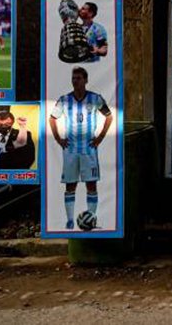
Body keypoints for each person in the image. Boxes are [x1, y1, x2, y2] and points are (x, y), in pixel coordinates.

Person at [49, 67, 113, 230]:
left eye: (78, 78)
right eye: (73, 78)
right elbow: (52, 118)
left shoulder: (95, 98)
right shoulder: (64, 100)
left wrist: (100, 137)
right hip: (70, 150)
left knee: (91, 184)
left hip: (88, 149)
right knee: (70, 185)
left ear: (85, 80)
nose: (75, 81)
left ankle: (91, 219)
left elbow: (109, 116)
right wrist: (58, 138)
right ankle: (70, 220)